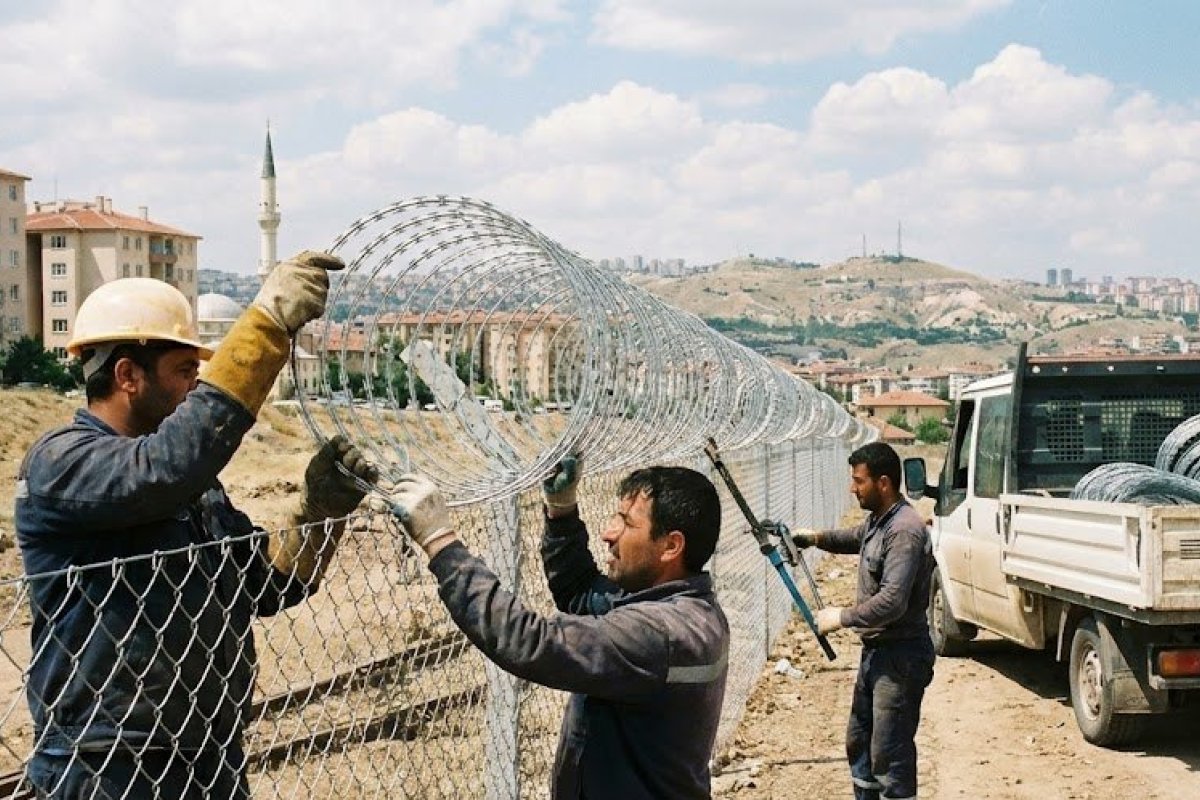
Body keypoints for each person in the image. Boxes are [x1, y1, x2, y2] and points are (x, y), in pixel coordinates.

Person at [16, 254, 377, 799]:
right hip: (106, 765)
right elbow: (165, 468)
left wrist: (317, 515)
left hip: (207, 757)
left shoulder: (193, 489)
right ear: (127, 375)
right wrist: (267, 325)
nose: (196, 386)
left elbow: (265, 584)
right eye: (185, 371)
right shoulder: (62, 463)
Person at [388, 457, 729, 799]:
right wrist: (562, 511)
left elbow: (530, 640)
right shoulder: (692, 610)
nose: (608, 533)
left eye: (626, 523)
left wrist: (440, 542)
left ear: (671, 546)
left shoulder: (657, 634)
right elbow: (581, 593)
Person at [793, 441, 935, 800]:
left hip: (900, 657)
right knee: (860, 742)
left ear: (883, 483)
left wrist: (840, 617)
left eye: (858, 481)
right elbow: (854, 538)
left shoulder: (904, 530)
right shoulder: (879, 521)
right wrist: (815, 538)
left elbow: (892, 601)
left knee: (890, 753)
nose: (852, 488)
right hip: (877, 654)